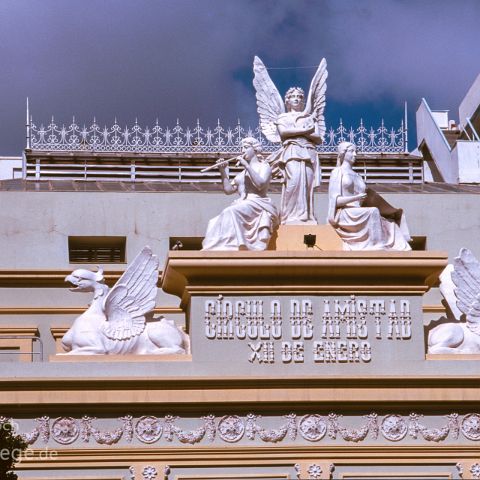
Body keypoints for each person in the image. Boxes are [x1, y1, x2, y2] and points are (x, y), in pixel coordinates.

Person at [327, 141, 411, 251]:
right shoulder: (337, 172)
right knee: (373, 212)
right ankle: (377, 245)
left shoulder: (358, 176)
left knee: (391, 223)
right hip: (345, 213)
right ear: (343, 153)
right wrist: (356, 198)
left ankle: (401, 250)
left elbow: (365, 199)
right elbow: (335, 201)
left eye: (356, 151)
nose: (355, 155)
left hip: (360, 212)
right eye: (352, 151)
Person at [202, 137, 279, 251]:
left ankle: (235, 245)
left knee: (230, 211)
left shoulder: (264, 166)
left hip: (257, 203)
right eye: (242, 148)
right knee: (213, 222)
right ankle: (224, 246)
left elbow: (260, 184)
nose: (242, 151)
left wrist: (247, 166)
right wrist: (223, 171)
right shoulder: (241, 174)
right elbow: (228, 190)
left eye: (246, 147)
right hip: (243, 204)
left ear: (255, 150)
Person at [273, 87, 322, 225]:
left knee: (307, 184)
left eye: (300, 96)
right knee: (293, 181)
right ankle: (289, 216)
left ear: (303, 100)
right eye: (293, 96)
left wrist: (299, 132)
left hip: (308, 151)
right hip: (292, 151)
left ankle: (306, 215)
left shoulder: (310, 117)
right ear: (287, 100)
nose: (296, 98)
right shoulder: (282, 117)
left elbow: (318, 138)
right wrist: (305, 131)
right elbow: (283, 133)